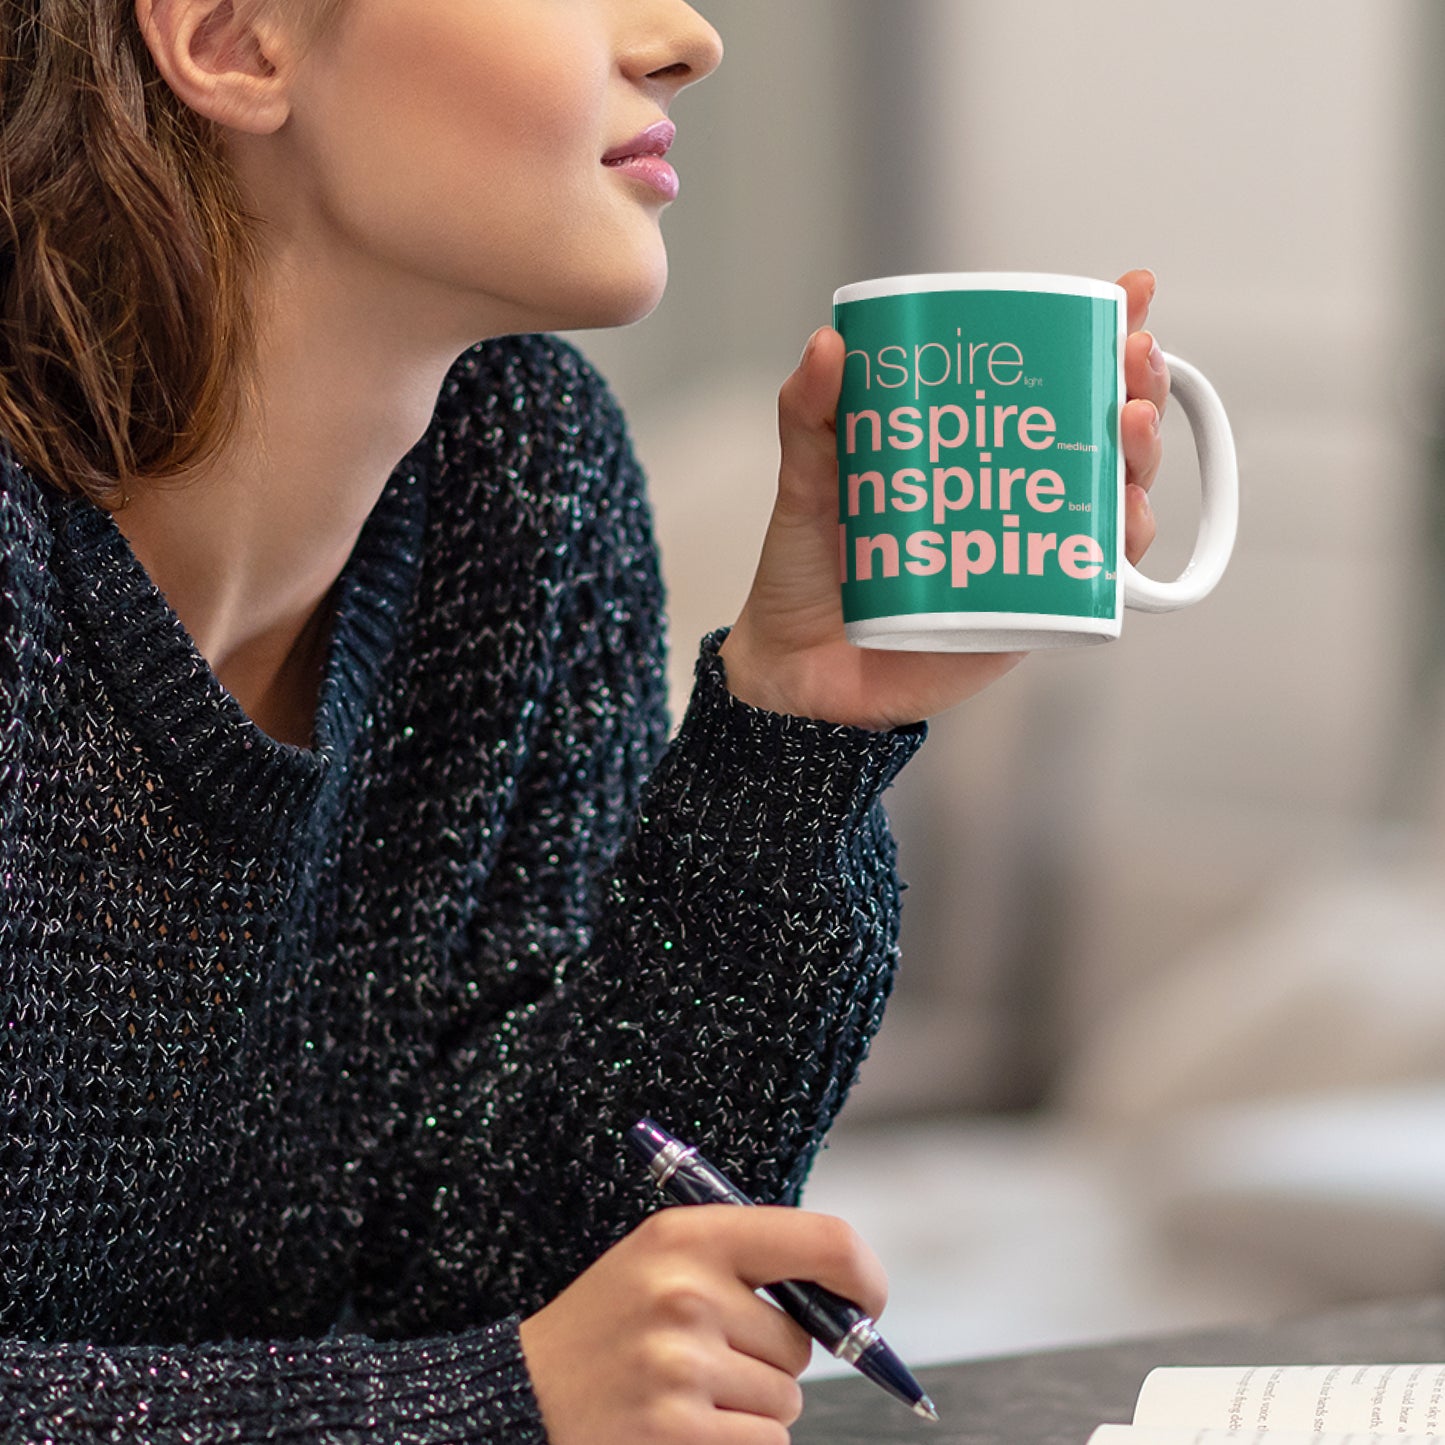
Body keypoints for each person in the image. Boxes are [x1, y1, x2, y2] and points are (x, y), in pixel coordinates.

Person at [0, 0, 1169, 1440]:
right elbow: (519, 1372)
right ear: (236, 37)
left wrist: (794, 735)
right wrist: (490, 1401)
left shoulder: (519, 480)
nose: (685, 37)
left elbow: (523, 1260)